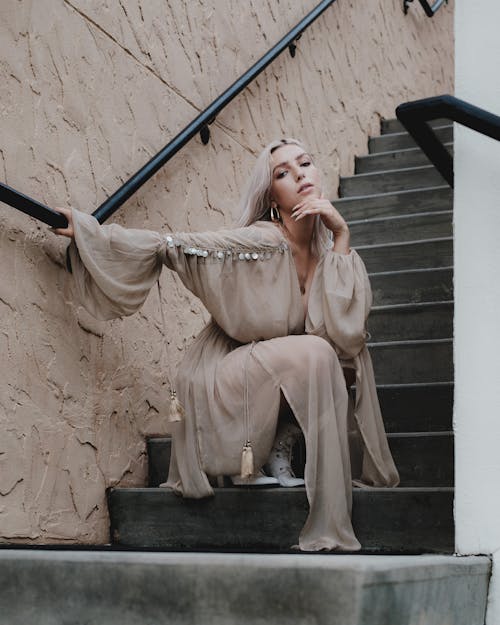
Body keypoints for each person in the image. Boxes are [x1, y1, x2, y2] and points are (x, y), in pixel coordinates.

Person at [53, 138, 399, 552]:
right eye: (283, 173)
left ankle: (276, 441)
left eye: (305, 163)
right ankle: (244, 455)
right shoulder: (263, 240)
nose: (300, 174)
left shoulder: (327, 256)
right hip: (223, 377)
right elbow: (176, 245)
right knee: (318, 352)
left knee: (345, 355)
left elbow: (347, 330)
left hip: (268, 372)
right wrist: (90, 231)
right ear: (273, 197)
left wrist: (341, 233)